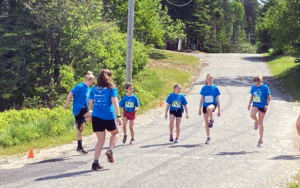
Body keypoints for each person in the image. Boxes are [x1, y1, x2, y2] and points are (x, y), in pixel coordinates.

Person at [88, 69, 122, 170]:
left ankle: (95, 163)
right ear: (109, 77)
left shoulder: (94, 88)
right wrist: (119, 116)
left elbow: (90, 102)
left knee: (100, 140)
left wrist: (96, 111)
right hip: (108, 116)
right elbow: (115, 102)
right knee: (115, 133)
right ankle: (110, 150)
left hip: (96, 117)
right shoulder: (111, 88)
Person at [64, 71, 95, 154]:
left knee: (80, 129)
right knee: (93, 114)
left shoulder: (89, 89)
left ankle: (79, 147)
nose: (92, 83)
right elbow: (70, 94)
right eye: (92, 82)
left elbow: (90, 101)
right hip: (78, 108)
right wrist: (66, 104)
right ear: (88, 79)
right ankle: (101, 126)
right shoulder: (80, 86)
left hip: (84, 108)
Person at [247, 75, 271, 147]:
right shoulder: (253, 87)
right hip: (255, 104)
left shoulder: (265, 87)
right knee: (252, 115)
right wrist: (249, 104)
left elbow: (268, 96)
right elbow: (252, 96)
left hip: (263, 105)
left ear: (261, 82)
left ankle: (260, 139)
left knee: (261, 122)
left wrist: (267, 104)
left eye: (258, 84)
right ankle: (256, 122)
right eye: (256, 84)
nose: (257, 85)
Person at [199, 73, 221, 145]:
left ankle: (211, 120)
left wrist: (219, 110)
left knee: (209, 109)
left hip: (212, 104)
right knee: (206, 123)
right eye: (208, 78)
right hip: (205, 105)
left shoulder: (215, 88)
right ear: (206, 79)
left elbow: (217, 99)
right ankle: (208, 137)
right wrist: (199, 109)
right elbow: (202, 99)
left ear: (213, 79)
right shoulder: (204, 88)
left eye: (210, 78)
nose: (209, 80)